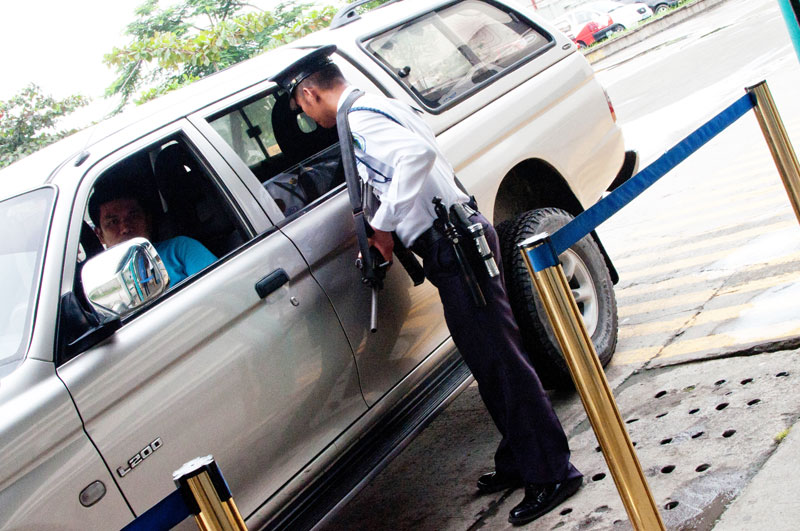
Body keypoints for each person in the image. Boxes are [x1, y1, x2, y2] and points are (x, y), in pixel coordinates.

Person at [271, 46, 583, 526]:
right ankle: (521, 459)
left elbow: (416, 156)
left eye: (303, 109)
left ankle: (554, 472)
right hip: (454, 241)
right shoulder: (376, 104)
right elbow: (414, 153)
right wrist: (391, 223)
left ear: (309, 92)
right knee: (486, 359)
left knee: (502, 362)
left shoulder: (359, 120)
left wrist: (382, 223)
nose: (309, 119)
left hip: (454, 244)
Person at [88, 179, 217, 286]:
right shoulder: (102, 284)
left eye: (133, 216)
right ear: (100, 235)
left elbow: (220, 287)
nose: (125, 228)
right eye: (113, 222)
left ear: (147, 220)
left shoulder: (180, 249)